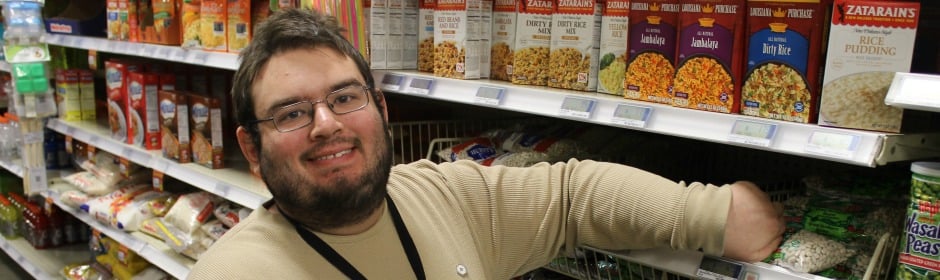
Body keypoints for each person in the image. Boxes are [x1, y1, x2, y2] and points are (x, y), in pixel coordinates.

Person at [188, 8, 784, 280]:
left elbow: (573, 191)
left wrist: (707, 213)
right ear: (252, 147)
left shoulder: (440, 196)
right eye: (292, 112)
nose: (326, 123)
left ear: (381, 109)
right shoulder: (235, 272)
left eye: (346, 97)